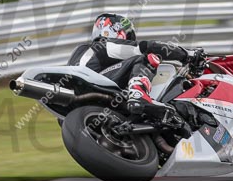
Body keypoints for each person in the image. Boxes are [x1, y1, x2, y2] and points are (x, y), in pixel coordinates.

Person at [67, 13, 196, 115]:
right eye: (128, 35)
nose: (130, 40)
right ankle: (138, 95)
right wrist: (185, 54)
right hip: (89, 85)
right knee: (145, 57)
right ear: (116, 30)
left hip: (73, 104)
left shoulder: (80, 51)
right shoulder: (105, 46)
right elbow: (147, 47)